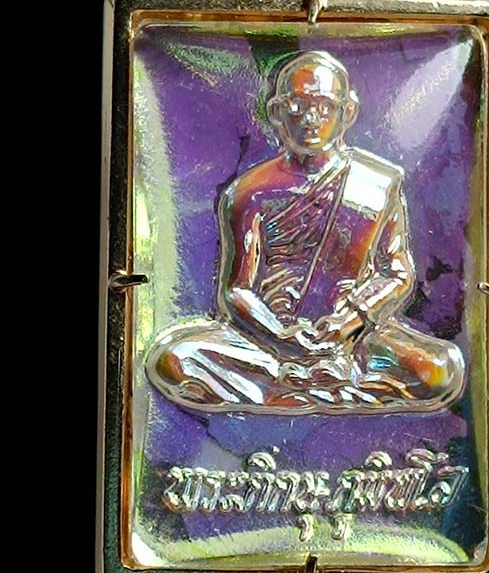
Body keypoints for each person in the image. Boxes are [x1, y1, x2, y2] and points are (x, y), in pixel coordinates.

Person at [145, 51, 465, 411]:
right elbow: (236, 292)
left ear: (347, 112)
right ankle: (318, 386)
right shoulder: (250, 192)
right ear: (277, 112)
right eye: (298, 106)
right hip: (269, 340)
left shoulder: (377, 183)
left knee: (441, 370)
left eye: (324, 106)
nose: (311, 119)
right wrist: (281, 336)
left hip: (352, 338)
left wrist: (351, 320)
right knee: (174, 360)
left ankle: (290, 390)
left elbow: (397, 272)